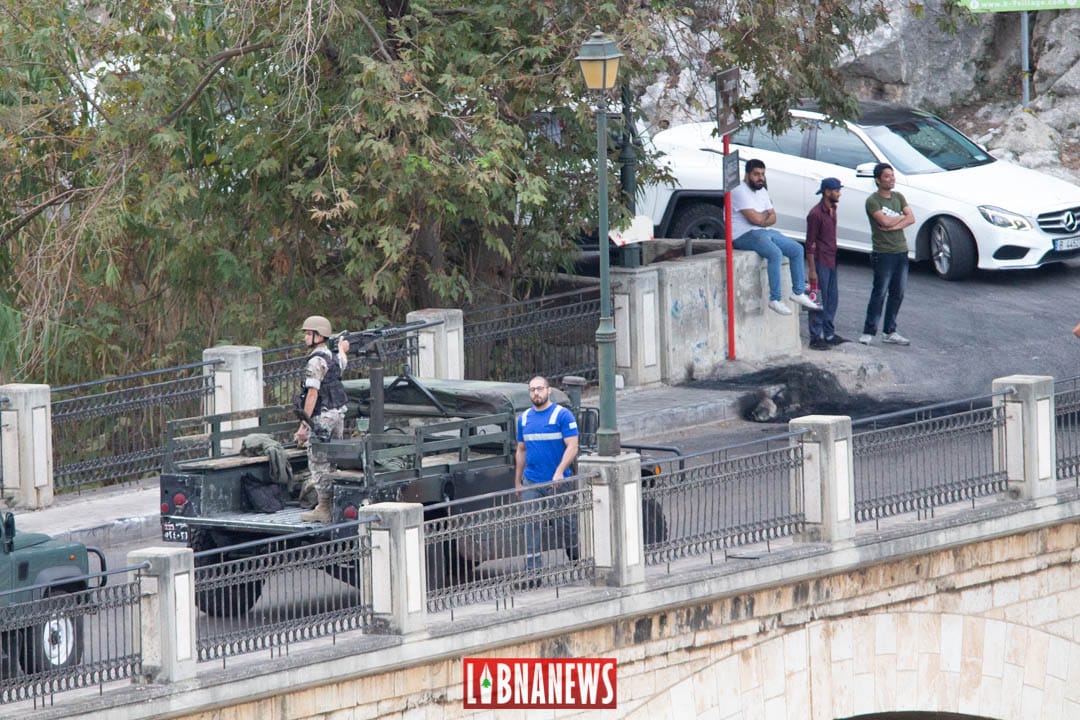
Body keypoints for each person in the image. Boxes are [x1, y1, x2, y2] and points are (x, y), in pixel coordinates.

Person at [729, 159, 822, 316]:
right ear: (747, 174)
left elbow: (773, 217)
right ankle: (775, 299)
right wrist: (764, 216)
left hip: (763, 232)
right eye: (756, 174)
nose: (760, 178)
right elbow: (755, 220)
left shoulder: (762, 191)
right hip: (742, 235)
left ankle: (798, 292)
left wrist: (762, 217)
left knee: (796, 249)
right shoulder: (739, 190)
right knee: (775, 253)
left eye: (763, 174)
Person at [514, 376, 579, 580]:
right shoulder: (523, 419)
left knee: (566, 524)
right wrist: (518, 481)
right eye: (532, 390)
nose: (536, 393)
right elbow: (521, 450)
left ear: (548, 390)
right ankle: (534, 571)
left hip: (558, 483)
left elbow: (573, 446)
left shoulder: (562, 415)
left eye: (539, 389)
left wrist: (559, 471)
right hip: (532, 481)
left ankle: (577, 557)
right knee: (531, 523)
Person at [295, 315, 350, 522]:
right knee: (334, 460)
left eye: (309, 333)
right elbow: (343, 357)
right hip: (338, 414)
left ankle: (324, 508)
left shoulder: (316, 361)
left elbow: (312, 394)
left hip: (322, 418)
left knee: (318, 461)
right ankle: (332, 503)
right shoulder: (335, 357)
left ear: (319, 336)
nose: (306, 338)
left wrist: (304, 425)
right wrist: (343, 347)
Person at [859, 163, 916, 346]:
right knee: (880, 292)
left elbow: (911, 218)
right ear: (878, 180)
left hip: (901, 250)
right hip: (883, 253)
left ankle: (890, 331)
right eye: (887, 176)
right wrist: (900, 218)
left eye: (892, 176)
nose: (891, 179)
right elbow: (882, 220)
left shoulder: (899, 197)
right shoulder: (873, 201)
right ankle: (869, 331)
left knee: (898, 293)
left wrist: (895, 224)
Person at [805, 177, 848, 350]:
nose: (839, 193)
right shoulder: (815, 214)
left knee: (832, 299)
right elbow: (810, 243)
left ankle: (829, 333)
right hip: (821, 261)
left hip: (831, 259)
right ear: (827, 192)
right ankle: (815, 337)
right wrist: (812, 270)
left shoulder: (833, 209)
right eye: (836, 190)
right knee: (819, 300)